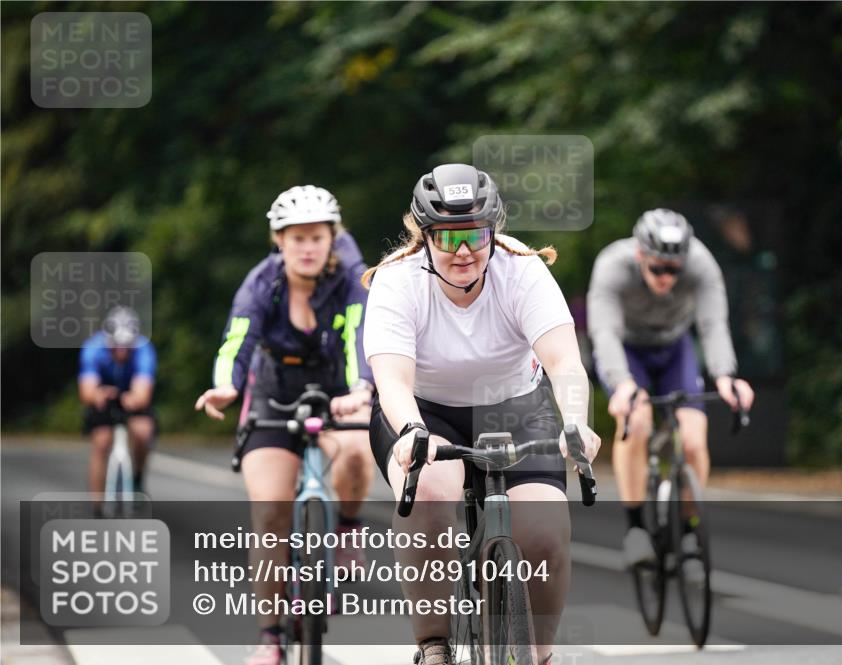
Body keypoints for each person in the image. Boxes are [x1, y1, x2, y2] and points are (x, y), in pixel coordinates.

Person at [361, 163, 601, 665]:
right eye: (448, 239)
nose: (464, 251)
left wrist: (575, 420)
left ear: (494, 230)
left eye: (475, 235)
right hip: (424, 412)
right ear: (424, 237)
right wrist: (410, 432)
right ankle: (434, 644)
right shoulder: (396, 282)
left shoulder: (522, 270)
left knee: (543, 533)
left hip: (516, 407)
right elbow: (393, 383)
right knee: (430, 491)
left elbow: (564, 363)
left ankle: (539, 655)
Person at [194, 185, 374, 665]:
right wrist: (227, 386)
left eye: (317, 237)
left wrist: (362, 391)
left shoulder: (353, 277)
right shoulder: (261, 282)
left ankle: (347, 532)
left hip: (339, 387)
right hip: (273, 390)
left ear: (333, 238)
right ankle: (271, 635)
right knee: (270, 515)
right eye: (297, 238)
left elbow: (361, 335)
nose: (308, 247)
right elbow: (238, 338)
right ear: (279, 240)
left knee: (358, 451)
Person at [586, 208, 756, 567]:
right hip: (627, 350)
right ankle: (635, 529)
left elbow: (713, 325)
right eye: (658, 268)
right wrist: (623, 386)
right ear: (640, 256)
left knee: (694, 441)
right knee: (639, 421)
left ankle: (688, 529)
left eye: (674, 270)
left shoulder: (701, 263)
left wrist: (725, 376)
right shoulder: (613, 265)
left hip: (674, 347)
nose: (666, 277)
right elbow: (604, 332)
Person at [78, 306, 157, 505]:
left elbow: (143, 393)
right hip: (104, 398)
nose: (121, 352)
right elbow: (87, 392)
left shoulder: (144, 349)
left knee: (143, 432)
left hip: (130, 397)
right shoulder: (93, 348)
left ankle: (137, 477)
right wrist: (98, 395)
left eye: (126, 347)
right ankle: (97, 503)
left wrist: (133, 399)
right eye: (116, 347)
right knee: (102, 441)